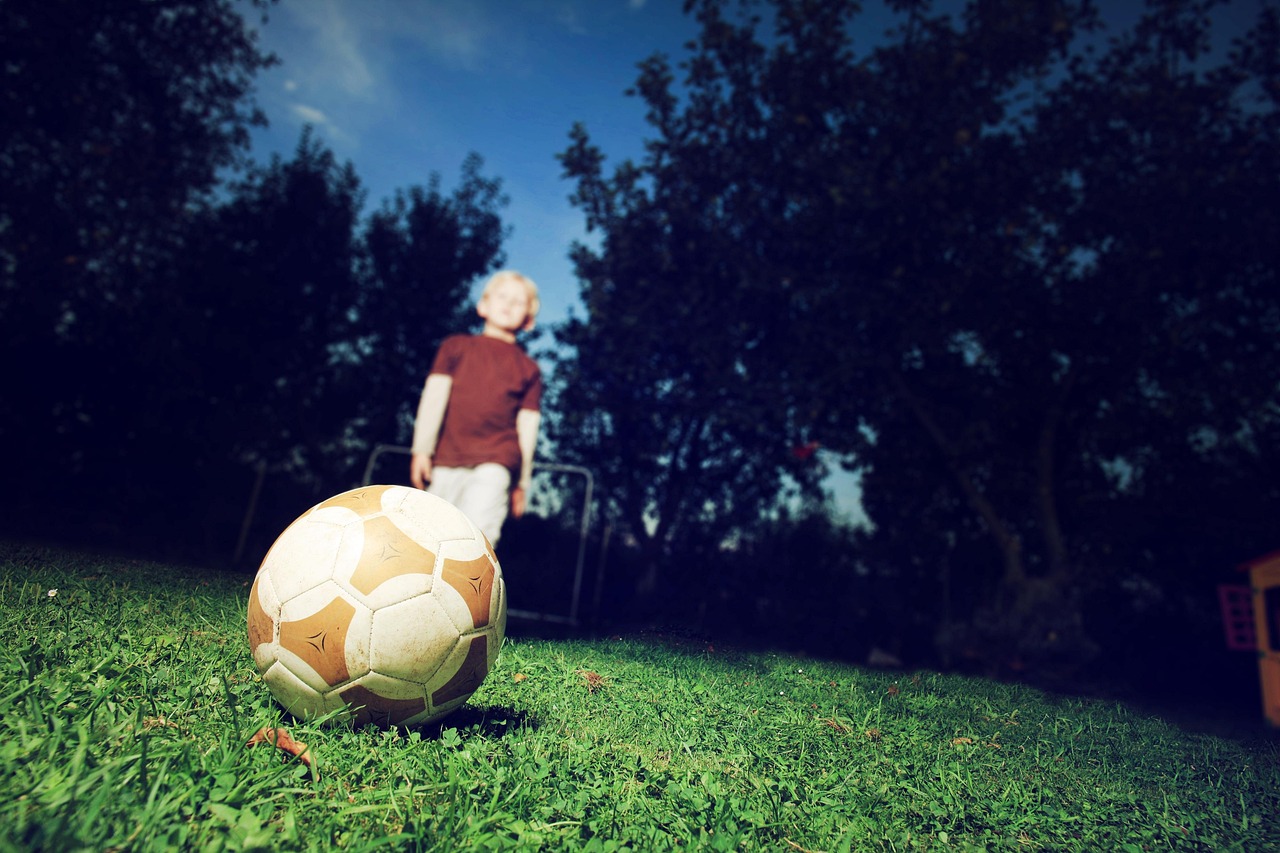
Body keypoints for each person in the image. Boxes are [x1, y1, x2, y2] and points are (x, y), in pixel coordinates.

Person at [409, 270, 542, 547]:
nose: (508, 304)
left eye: (518, 302)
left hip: (497, 461)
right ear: (483, 305)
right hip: (446, 460)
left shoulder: (529, 369)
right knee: (428, 540)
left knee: (474, 543)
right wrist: (422, 449)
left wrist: (522, 483)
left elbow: (528, 429)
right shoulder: (455, 347)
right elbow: (433, 400)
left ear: (528, 319)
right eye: (502, 296)